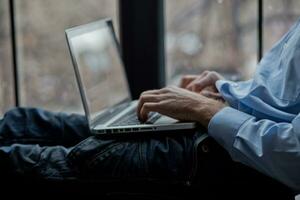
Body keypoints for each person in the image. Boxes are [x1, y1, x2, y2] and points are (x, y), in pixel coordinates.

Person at [0, 19, 300, 198]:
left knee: (58, 161)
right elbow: (283, 101)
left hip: (229, 161)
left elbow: (294, 156)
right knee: (36, 123)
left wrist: (204, 109)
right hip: (221, 132)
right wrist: (229, 91)